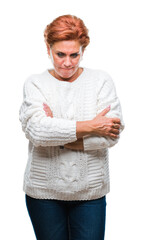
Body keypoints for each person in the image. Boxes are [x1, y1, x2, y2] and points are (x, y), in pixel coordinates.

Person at [19, 14, 124, 240]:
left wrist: (56, 132)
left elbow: (111, 136)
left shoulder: (101, 81)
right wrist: (92, 126)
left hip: (90, 192)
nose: (67, 62)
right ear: (48, 50)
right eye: (60, 54)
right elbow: (37, 132)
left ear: (82, 51)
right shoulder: (35, 83)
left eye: (74, 55)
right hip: (43, 193)